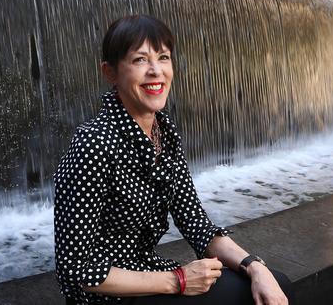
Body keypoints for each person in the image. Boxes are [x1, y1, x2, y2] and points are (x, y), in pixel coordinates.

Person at [53, 15, 293, 305]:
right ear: (111, 73)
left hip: (151, 276)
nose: (156, 71)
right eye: (140, 60)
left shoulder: (163, 132)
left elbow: (197, 225)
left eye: (163, 57)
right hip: (109, 297)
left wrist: (255, 266)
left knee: (274, 284)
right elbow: (75, 270)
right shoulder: (93, 145)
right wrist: (178, 280)